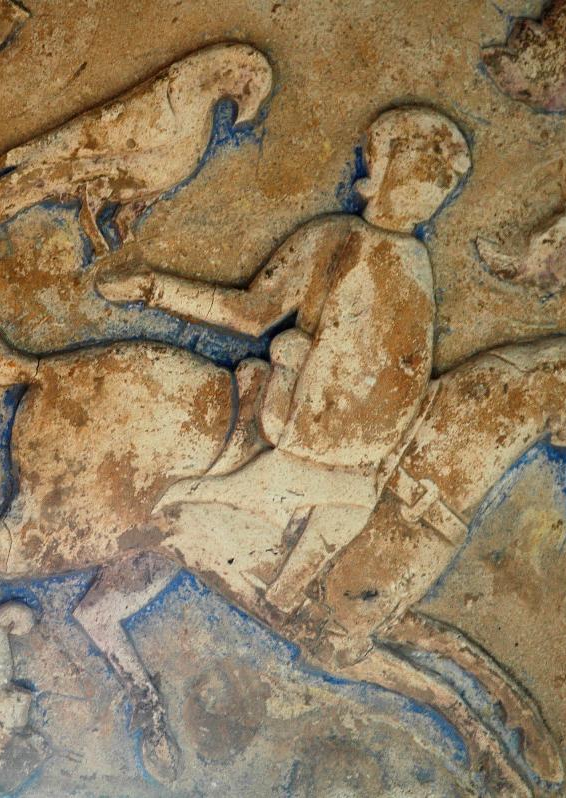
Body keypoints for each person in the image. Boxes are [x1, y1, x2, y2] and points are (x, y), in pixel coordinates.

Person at [97, 106, 472, 616]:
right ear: (379, 171)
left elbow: (408, 360)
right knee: (339, 501)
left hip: (370, 435)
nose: (432, 188)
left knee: (356, 508)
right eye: (422, 170)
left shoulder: (417, 260)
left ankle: (288, 581)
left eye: (443, 180)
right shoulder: (334, 239)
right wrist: (153, 288)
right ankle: (259, 556)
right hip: (310, 420)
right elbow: (252, 313)